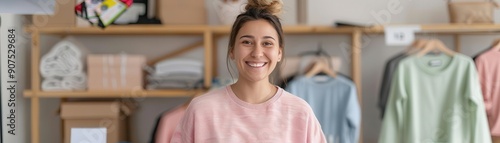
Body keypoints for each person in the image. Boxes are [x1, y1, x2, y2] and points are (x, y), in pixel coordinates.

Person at [170, 0, 327, 142]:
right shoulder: (201, 110)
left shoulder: (300, 113)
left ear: (279, 53)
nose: (257, 53)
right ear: (232, 50)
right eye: (247, 42)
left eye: (267, 43)